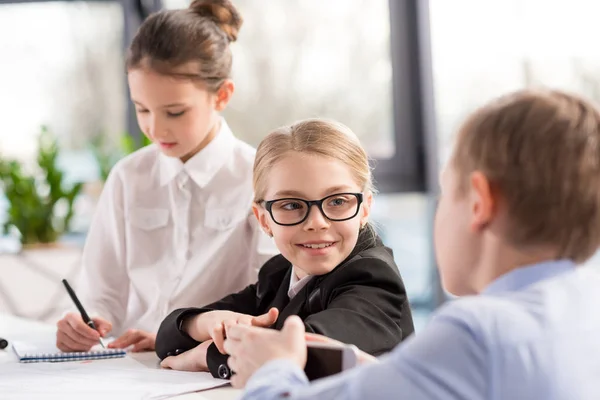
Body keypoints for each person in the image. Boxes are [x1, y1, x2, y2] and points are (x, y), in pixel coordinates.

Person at [223, 89, 600, 399]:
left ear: (479, 202)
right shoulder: (582, 304)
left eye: (446, 190)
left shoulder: (477, 334)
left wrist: (272, 371)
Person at [55, 0, 277, 353]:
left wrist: (175, 336)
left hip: (213, 363)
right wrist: (86, 321)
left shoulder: (261, 179)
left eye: (175, 111)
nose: (154, 128)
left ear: (221, 95)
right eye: (142, 109)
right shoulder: (128, 177)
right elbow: (101, 294)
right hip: (129, 367)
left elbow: (270, 302)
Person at [155, 118, 415, 379]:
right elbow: (166, 336)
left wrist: (206, 355)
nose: (317, 223)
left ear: (365, 208)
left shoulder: (374, 279)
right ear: (263, 219)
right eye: (291, 205)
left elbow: (300, 354)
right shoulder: (280, 273)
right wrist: (205, 323)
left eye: (337, 201)